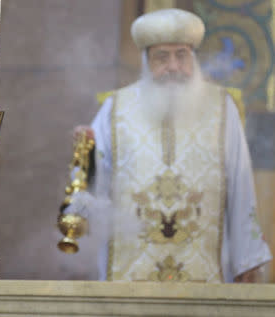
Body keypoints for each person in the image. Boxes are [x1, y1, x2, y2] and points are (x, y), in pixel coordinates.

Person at [69, 8, 272, 283]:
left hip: (206, 274)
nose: (173, 66)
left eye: (182, 55)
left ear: (193, 58)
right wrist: (87, 155)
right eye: (161, 57)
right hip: (129, 275)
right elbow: (93, 191)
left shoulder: (222, 108)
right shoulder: (115, 108)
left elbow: (240, 186)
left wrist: (246, 260)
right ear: (146, 61)